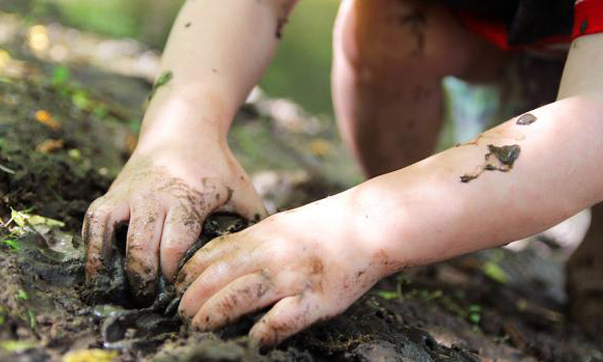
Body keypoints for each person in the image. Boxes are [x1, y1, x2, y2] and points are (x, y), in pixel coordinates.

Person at [83, 0, 603, 346]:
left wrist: (354, 229)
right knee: (388, 17)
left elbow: (591, 122)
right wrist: (181, 133)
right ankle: (425, 242)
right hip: (514, 38)